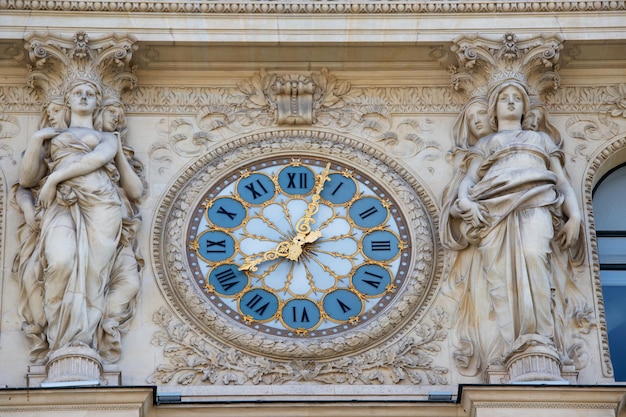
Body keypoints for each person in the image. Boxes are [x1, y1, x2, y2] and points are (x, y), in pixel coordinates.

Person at [440, 80, 586, 376]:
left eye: (516, 98)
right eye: (503, 98)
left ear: (524, 107)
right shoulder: (486, 144)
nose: (510, 102)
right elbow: (468, 181)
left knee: (534, 256)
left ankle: (540, 340)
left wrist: (575, 217)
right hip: (495, 211)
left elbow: (562, 182)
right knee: (500, 276)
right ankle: (516, 344)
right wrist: (466, 202)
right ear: (493, 109)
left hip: (536, 203)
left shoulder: (541, 141)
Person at [17, 78, 123, 357]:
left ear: (98, 102)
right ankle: (60, 337)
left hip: (101, 204)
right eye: (78, 93)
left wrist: (55, 179)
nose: (84, 97)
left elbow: (95, 160)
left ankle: (82, 340)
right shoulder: (50, 137)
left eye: (90, 93)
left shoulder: (108, 138)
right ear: (68, 101)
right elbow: (26, 180)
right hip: (60, 206)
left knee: (94, 274)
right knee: (61, 261)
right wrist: (36, 139)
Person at [95, 97, 145, 362]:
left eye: (120, 117)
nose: (116, 120)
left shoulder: (115, 150)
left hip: (121, 230)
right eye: (111, 113)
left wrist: (116, 150)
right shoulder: (77, 148)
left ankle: (107, 325)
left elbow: (136, 190)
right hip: (94, 227)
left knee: (130, 282)